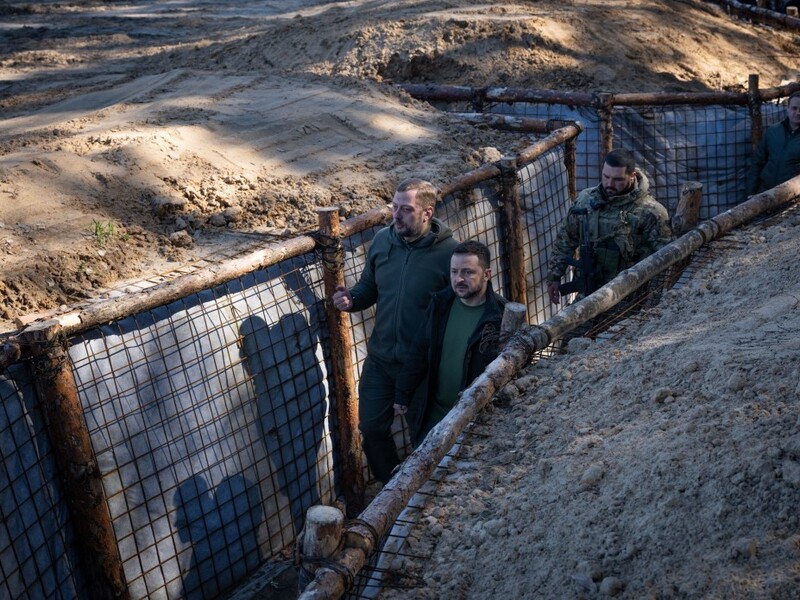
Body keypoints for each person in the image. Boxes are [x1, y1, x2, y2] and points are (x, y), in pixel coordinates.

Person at [332, 178, 459, 484]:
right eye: (394, 207)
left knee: (425, 435)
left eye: (406, 209)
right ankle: (391, 490)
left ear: (427, 213)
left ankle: (424, 492)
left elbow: (461, 308)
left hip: (423, 366)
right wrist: (351, 299)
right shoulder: (381, 242)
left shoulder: (450, 254)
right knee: (372, 428)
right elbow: (368, 287)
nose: (396, 215)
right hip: (381, 360)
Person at [392, 240, 506, 447]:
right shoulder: (440, 304)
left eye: (468, 272)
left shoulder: (500, 317)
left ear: (487, 274)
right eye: (454, 272)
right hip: (435, 413)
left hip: (474, 419)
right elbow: (419, 350)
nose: (459, 279)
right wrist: (403, 393)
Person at [545, 148, 672, 306]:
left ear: (632, 176)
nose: (609, 184)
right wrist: (554, 277)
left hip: (629, 300)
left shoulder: (651, 213)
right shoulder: (586, 201)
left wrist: (653, 303)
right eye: (606, 176)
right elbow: (566, 239)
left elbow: (665, 261)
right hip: (588, 293)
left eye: (617, 179)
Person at [746, 91, 800, 196]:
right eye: (794, 108)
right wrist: (751, 192)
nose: (798, 113)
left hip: (790, 197)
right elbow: (757, 163)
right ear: (787, 108)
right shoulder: (773, 131)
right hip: (765, 192)